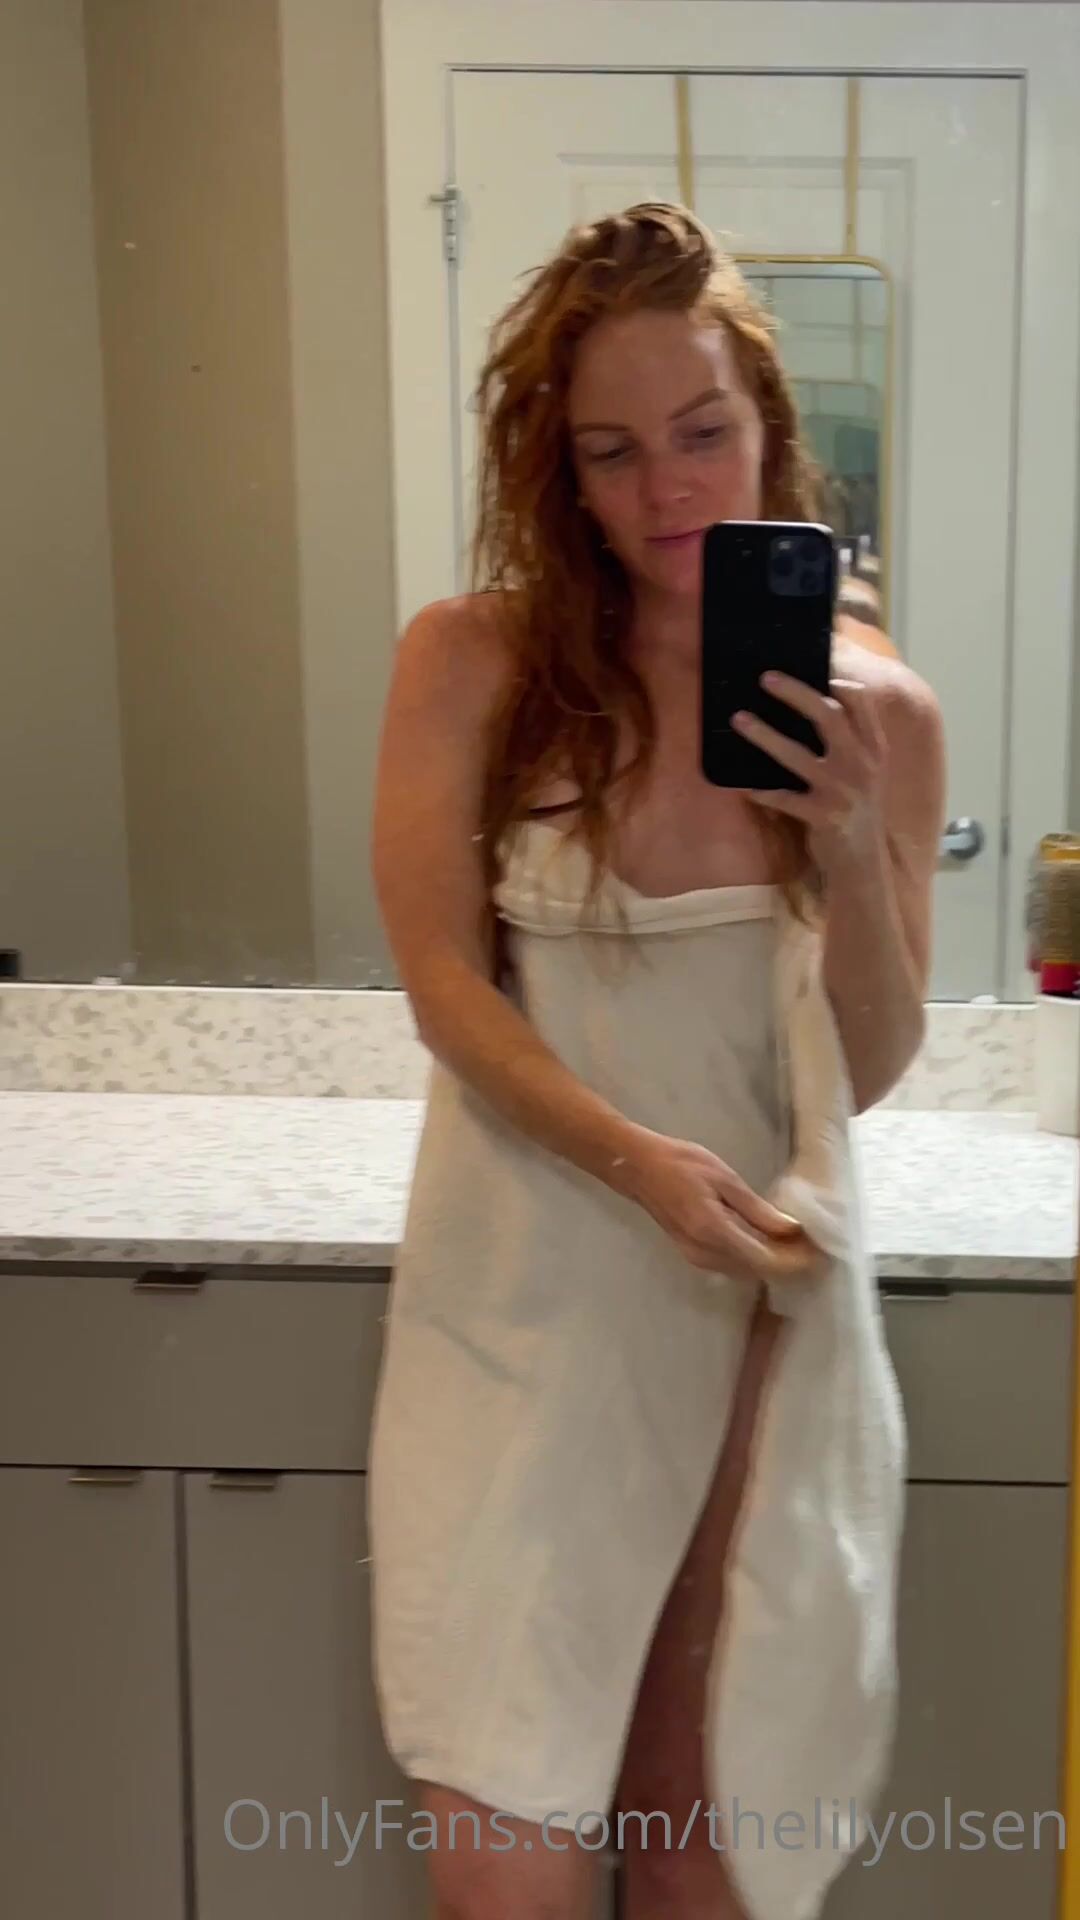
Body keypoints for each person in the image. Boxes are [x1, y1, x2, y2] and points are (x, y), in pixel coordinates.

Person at [367, 202, 946, 1920]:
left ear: (770, 426)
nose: (668, 490)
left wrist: (845, 850)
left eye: (702, 433)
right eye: (612, 453)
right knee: (504, 1854)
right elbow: (444, 984)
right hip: (527, 1289)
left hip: (755, 1308)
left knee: (711, 1839)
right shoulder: (472, 663)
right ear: (561, 469)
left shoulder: (876, 715)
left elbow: (872, 1062)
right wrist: (634, 1163)